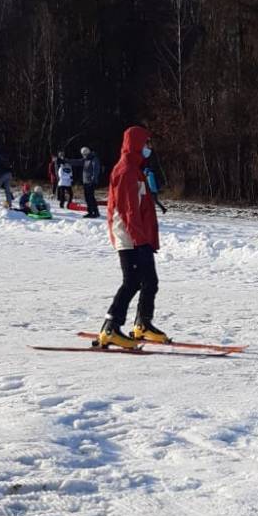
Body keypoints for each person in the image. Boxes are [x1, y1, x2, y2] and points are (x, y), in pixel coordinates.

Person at [97, 126, 165, 350]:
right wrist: (140, 241)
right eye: (146, 144)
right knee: (132, 281)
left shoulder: (136, 169)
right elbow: (128, 211)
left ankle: (143, 323)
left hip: (138, 235)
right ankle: (110, 326)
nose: (149, 148)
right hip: (128, 236)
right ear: (136, 144)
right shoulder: (126, 170)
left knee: (150, 282)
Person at [81, 146, 102, 218]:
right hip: (86, 182)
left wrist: (93, 180)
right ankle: (90, 212)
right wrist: (65, 160)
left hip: (91, 182)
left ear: (87, 153)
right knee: (87, 197)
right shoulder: (85, 160)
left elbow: (96, 170)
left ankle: (96, 212)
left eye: (84, 154)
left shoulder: (93, 159)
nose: (83, 156)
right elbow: (76, 162)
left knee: (91, 197)